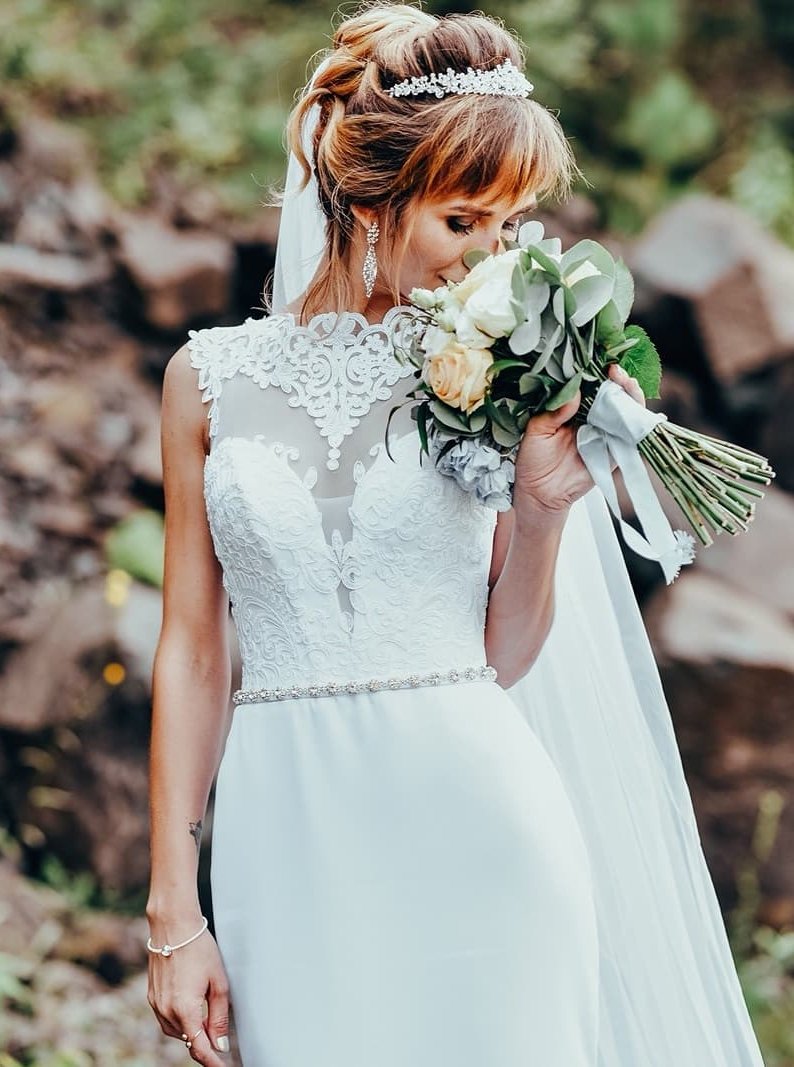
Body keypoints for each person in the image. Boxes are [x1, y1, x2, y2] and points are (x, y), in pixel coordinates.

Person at [145, 4, 768, 1066]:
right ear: (366, 200)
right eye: (461, 220)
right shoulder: (206, 382)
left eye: (510, 223)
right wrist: (174, 908)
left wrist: (539, 510)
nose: (491, 258)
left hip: (482, 830)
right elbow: (194, 650)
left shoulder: (489, 381)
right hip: (283, 838)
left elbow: (503, 658)